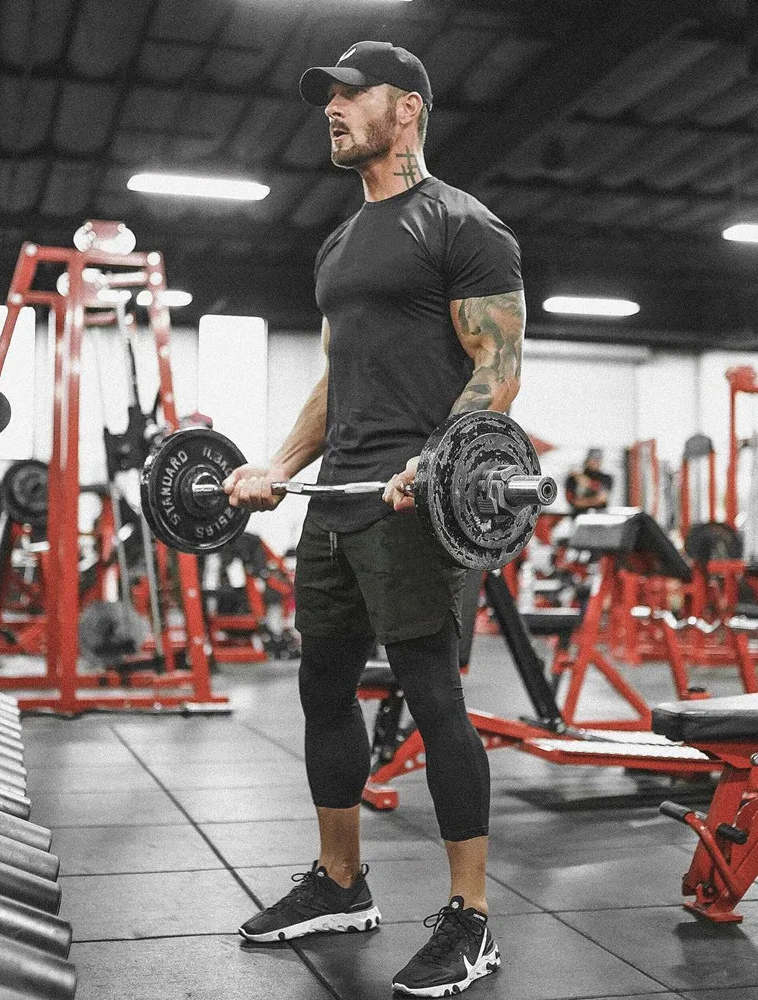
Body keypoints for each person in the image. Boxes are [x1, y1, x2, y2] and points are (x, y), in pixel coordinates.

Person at [225, 40, 525, 997]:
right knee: (323, 684)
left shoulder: (463, 225)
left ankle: (471, 918)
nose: (334, 108)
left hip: (415, 499)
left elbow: (498, 367)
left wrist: (435, 461)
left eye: (353, 94)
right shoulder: (340, 243)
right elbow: (336, 377)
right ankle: (341, 881)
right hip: (340, 497)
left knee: (433, 695)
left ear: (408, 109)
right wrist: (280, 465)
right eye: (329, 97)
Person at [564, 448, 613, 516]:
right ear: (587, 460)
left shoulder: (606, 478)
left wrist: (586, 482)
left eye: (597, 459)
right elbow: (573, 501)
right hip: (579, 515)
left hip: (600, 516)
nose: (595, 462)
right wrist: (594, 500)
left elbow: (603, 498)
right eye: (592, 459)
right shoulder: (573, 478)